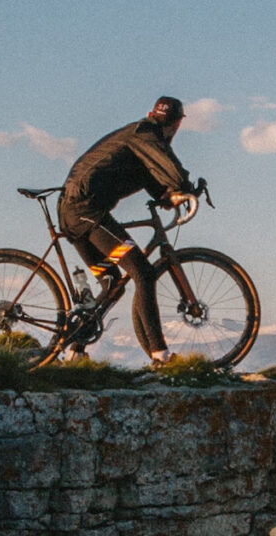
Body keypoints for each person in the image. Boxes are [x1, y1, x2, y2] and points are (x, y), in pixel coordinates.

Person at [57, 96, 194, 366]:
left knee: (111, 284)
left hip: (73, 212)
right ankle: (160, 354)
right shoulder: (147, 134)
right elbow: (169, 166)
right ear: (177, 124)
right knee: (142, 271)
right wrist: (185, 188)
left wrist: (165, 196)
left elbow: (148, 174)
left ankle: (74, 351)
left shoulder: (139, 137)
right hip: (86, 212)